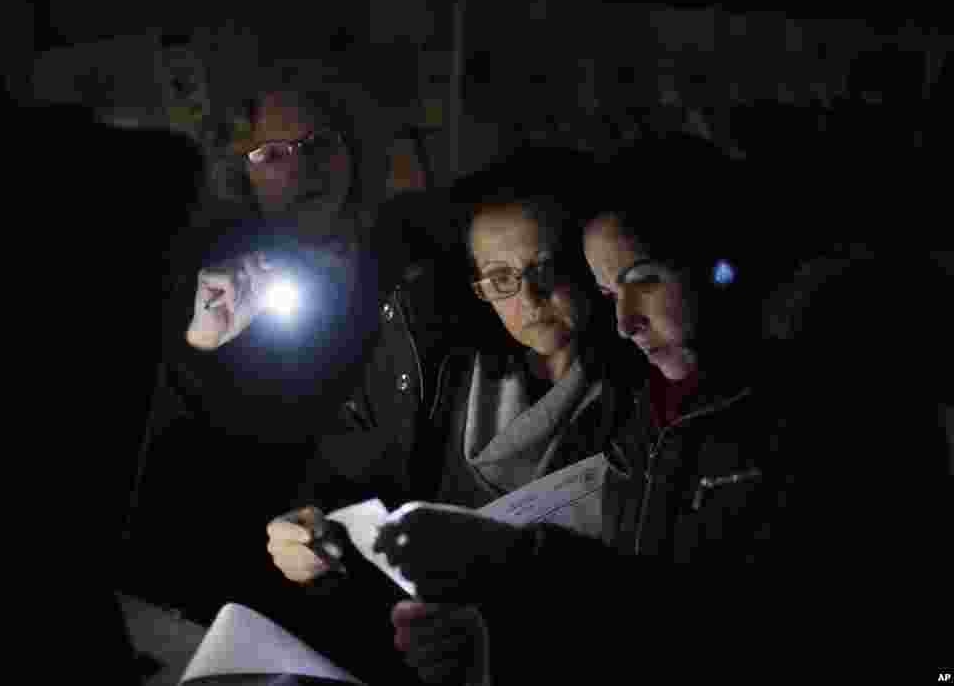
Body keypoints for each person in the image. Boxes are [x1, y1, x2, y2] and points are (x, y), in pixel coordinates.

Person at [372, 139, 953, 680]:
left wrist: (519, 563)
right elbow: (637, 609)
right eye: (608, 293)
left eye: (643, 279)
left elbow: (768, 626)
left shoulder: (829, 414)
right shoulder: (652, 418)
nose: (625, 321)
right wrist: (493, 635)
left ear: (721, 262)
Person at [267, 148, 638, 685]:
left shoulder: (641, 393)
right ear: (479, 290)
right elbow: (337, 492)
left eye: (545, 268)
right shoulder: (438, 369)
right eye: (502, 277)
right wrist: (308, 544)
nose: (530, 297)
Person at [121, 79, 460, 647]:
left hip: (382, 570)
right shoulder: (214, 279)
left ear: (351, 151)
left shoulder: (401, 259)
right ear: (243, 171)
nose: (304, 168)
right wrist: (205, 343)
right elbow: (175, 478)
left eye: (318, 145)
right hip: (239, 585)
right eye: (272, 154)